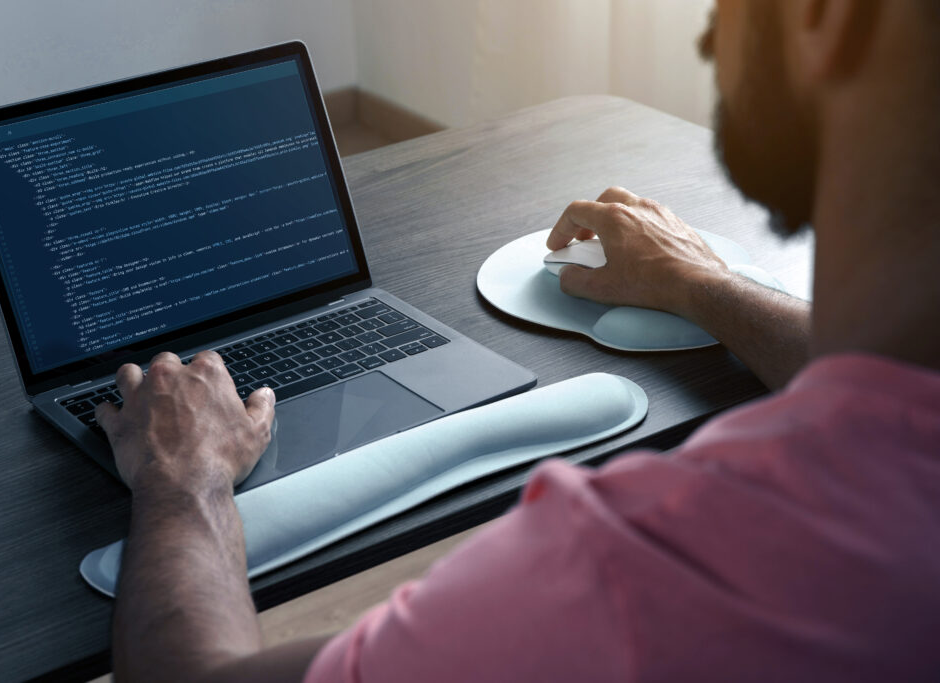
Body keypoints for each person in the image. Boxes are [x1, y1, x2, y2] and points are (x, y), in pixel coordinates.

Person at [96, 0, 940, 680]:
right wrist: (695, 282)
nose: (714, 27)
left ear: (826, 17)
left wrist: (182, 476)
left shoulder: (634, 578)